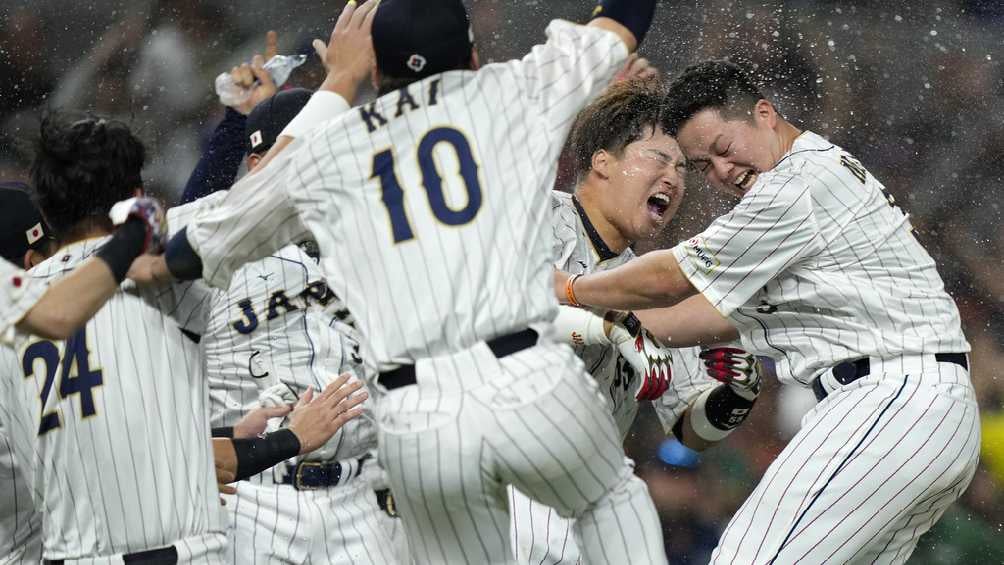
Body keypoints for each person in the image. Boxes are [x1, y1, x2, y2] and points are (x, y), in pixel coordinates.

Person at [132, 0, 670, 562]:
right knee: (610, 497)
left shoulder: (337, 150)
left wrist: (337, 79)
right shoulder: (509, 94)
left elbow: (199, 243)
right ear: (472, 56)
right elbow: (623, 22)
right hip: (522, 377)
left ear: (374, 68)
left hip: (419, 418)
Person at [556, 60, 980, 564]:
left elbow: (671, 278)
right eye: (703, 164)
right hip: (927, 415)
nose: (722, 171)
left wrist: (572, 290)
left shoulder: (796, 182)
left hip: (892, 402)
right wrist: (616, 325)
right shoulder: (803, 192)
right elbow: (708, 314)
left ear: (764, 113)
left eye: (723, 148)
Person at [509, 76, 763, 564]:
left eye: (683, 168)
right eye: (657, 158)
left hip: (590, 488)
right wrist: (614, 329)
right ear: (602, 161)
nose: (674, 177)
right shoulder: (534, 218)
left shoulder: (654, 287)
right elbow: (511, 320)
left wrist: (732, 398)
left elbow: (690, 429)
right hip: (508, 467)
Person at [172, 79, 402, 563]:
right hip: (253, 498)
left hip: (360, 500)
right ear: (258, 167)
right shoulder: (217, 249)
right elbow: (183, 223)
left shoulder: (381, 244)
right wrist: (238, 121)